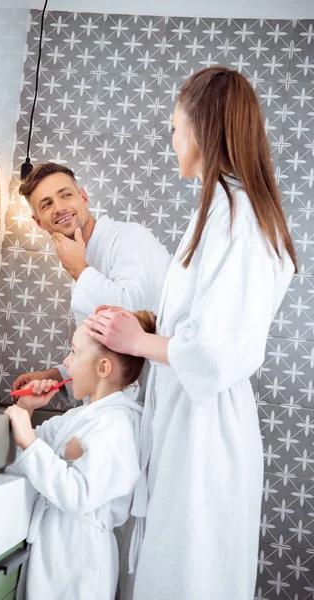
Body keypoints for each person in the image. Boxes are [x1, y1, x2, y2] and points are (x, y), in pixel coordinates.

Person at [85, 66, 298, 600]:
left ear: (202, 129)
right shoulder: (220, 211)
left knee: (191, 577)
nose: (171, 138)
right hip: (190, 427)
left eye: (175, 126)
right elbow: (193, 328)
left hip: (207, 436)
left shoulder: (237, 216)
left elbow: (216, 349)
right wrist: (136, 329)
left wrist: (135, 342)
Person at [4, 311, 156, 600]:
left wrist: (29, 440)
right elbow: (23, 457)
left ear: (103, 368)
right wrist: (26, 409)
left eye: (73, 352)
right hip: (55, 553)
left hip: (80, 563)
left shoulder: (118, 426)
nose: (65, 363)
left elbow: (78, 494)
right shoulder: (77, 418)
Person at [12, 162, 169, 393]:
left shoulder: (131, 239)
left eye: (66, 195)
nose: (59, 208)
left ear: (83, 197)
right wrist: (57, 375)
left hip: (149, 400)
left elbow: (135, 317)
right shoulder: (83, 264)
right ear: (38, 222)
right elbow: (100, 349)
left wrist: (78, 269)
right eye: (47, 204)